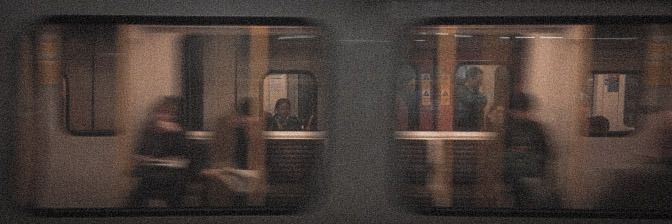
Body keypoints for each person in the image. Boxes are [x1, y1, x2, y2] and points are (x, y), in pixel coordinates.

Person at [202, 98, 267, 207]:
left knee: (250, 186)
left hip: (248, 174)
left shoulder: (255, 131)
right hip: (228, 172)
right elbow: (216, 156)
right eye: (242, 117)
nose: (244, 120)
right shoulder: (223, 127)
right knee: (223, 185)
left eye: (248, 117)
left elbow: (258, 161)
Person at [128, 96, 190, 207]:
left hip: (173, 173)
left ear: (173, 116)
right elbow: (138, 153)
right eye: (161, 113)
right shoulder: (148, 131)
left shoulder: (178, 131)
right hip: (152, 171)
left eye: (168, 114)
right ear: (156, 115)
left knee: (178, 183)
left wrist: (177, 133)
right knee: (138, 190)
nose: (164, 117)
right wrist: (145, 158)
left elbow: (186, 156)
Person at [502, 93, 556, 208]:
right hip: (516, 177)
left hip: (531, 176)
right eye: (517, 110)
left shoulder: (535, 128)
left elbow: (546, 152)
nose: (520, 114)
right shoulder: (508, 128)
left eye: (522, 110)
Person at [455, 67, 487, 131]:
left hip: (474, 128)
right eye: (478, 81)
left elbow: (483, 102)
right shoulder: (461, 91)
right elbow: (476, 102)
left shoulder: (476, 92)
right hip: (464, 128)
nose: (480, 83)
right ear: (470, 79)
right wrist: (482, 94)